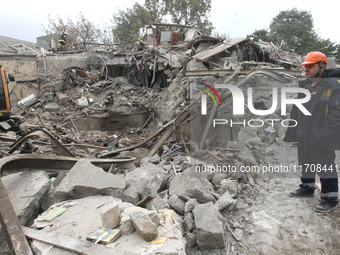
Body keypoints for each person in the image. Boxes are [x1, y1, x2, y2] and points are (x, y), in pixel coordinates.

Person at [284, 51, 340, 213]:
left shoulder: (333, 86)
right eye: (305, 66)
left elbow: (337, 114)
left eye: (310, 66)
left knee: (325, 165)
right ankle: (307, 187)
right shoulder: (307, 85)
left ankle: (330, 199)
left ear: (322, 66)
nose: (306, 69)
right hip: (304, 133)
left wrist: (323, 134)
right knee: (305, 161)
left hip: (321, 135)